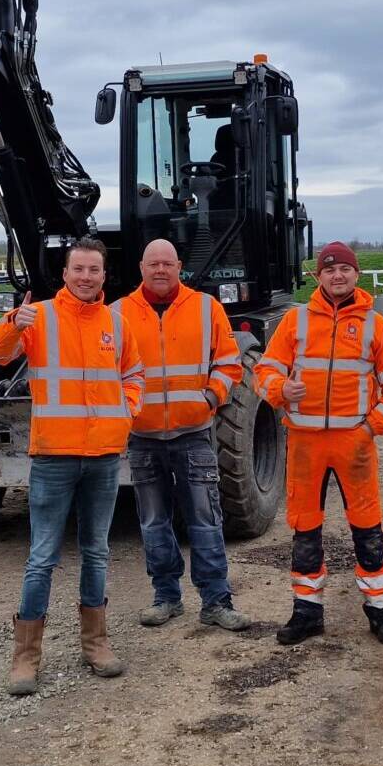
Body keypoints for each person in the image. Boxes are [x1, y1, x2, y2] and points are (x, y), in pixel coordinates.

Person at [0, 236, 144, 696]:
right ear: (66, 274)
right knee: (42, 558)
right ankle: (25, 657)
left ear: (104, 275)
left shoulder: (116, 322)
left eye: (95, 270)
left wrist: (127, 411)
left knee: (96, 552)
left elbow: (134, 373)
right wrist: (13, 321)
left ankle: (96, 643)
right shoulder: (41, 317)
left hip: (104, 458)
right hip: (54, 456)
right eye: (79, 269)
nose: (87, 277)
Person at [254, 241, 383, 647]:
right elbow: (266, 369)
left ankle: (380, 611)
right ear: (318, 277)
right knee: (304, 529)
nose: (337, 275)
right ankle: (307, 612)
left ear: (356, 275)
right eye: (329, 270)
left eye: (344, 269)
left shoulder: (377, 325)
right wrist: (278, 389)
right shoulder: (296, 322)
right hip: (306, 443)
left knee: (368, 528)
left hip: (354, 443)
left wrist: (372, 427)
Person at [115, 239, 250, 632]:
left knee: (205, 520)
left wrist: (209, 398)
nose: (160, 270)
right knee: (154, 523)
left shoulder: (206, 308)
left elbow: (229, 362)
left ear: (179, 268)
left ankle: (216, 601)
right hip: (143, 437)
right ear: (141, 267)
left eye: (168, 264)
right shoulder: (119, 313)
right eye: (153, 263)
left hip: (193, 433)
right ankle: (166, 598)